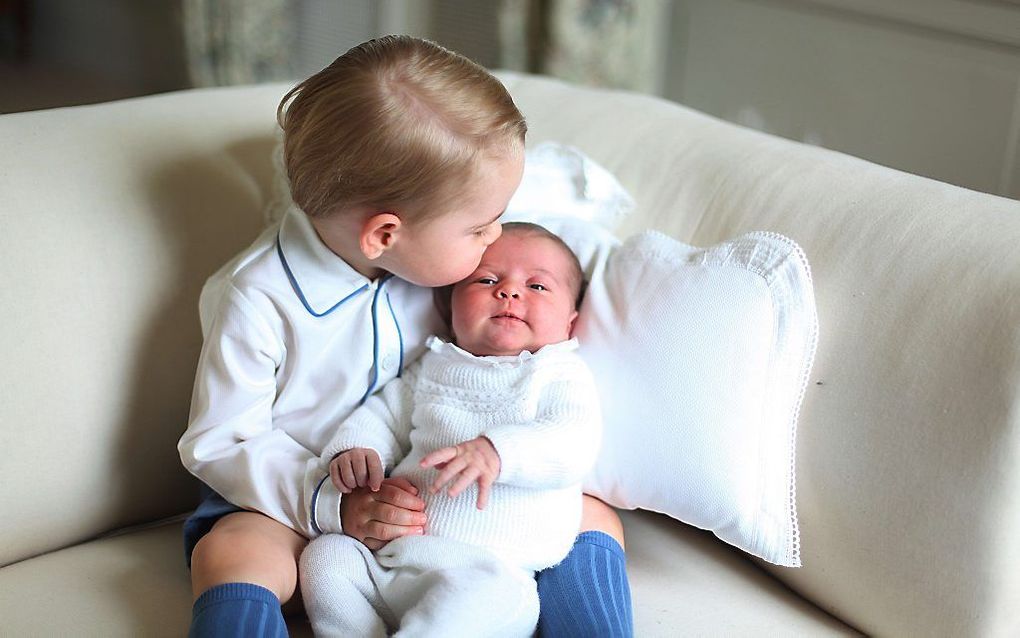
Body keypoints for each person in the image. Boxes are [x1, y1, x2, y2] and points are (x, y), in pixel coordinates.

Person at [178, 35, 632, 637]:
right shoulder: (257, 298)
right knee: (232, 550)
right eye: (480, 227)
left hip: (444, 495)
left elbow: (533, 220)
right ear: (385, 235)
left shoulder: (440, 253)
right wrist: (334, 504)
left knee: (594, 514)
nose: (494, 238)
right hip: (297, 499)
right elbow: (219, 441)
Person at [301, 222, 601, 637]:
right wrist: (356, 449)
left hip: (491, 572)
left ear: (570, 321)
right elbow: (385, 413)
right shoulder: (435, 364)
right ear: (450, 304)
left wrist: (498, 452)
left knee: (482, 602)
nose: (509, 292)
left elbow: (575, 441)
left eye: (537, 287)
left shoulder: (558, 373)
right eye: (488, 279)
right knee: (327, 556)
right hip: (394, 560)